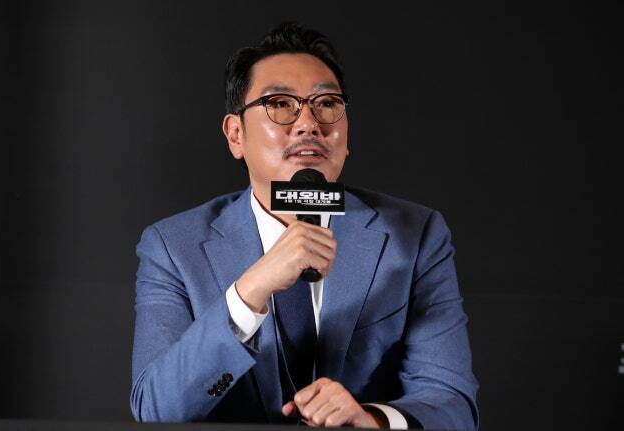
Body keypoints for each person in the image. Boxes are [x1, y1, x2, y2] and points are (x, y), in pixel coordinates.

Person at [130, 22, 479, 430]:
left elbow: (453, 404)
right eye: (280, 103)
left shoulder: (416, 235)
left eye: (327, 103)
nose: (308, 123)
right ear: (236, 135)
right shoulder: (172, 247)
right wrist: (250, 291)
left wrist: (371, 420)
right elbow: (156, 408)